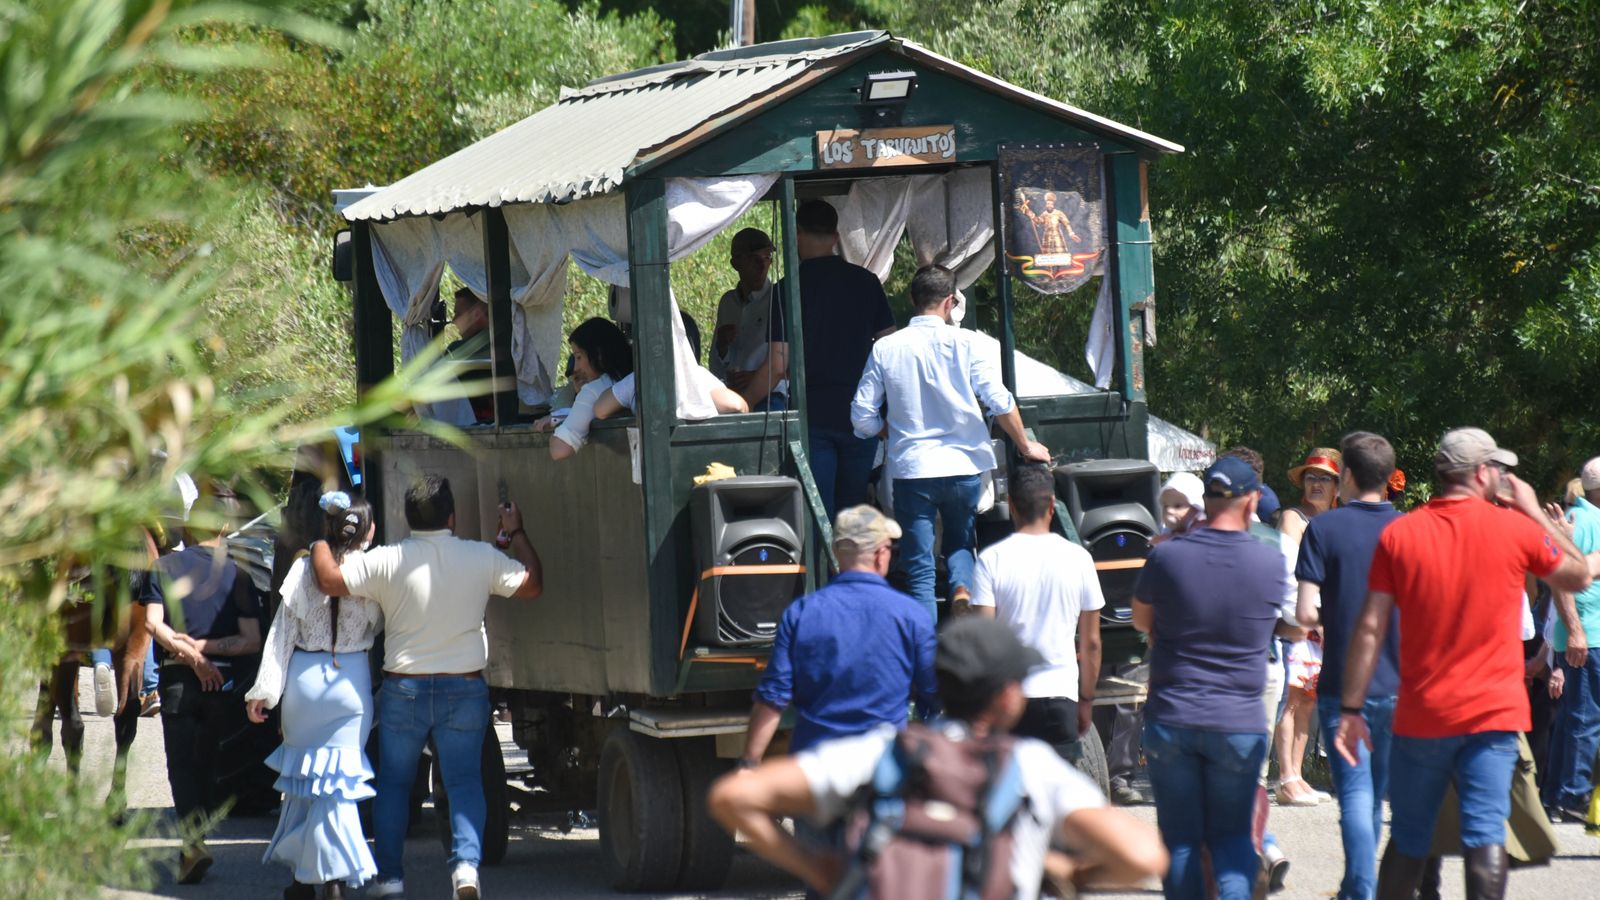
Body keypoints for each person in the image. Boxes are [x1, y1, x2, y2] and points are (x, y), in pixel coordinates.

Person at [708, 617, 1169, 898]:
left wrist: (817, 867)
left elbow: (734, 797)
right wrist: (1070, 873)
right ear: (1008, 697)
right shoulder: (1031, 767)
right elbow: (1143, 855)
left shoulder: (881, 753)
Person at [1335, 427, 1592, 899]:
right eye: (1499, 468)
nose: (1504, 477)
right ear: (1482, 473)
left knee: (1410, 837)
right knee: (1484, 836)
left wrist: (1351, 710)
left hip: (1423, 714)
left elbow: (1369, 628)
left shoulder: (1402, 533)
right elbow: (1578, 575)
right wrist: (1533, 509)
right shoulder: (1515, 529)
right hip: (1492, 714)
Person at [309, 476, 544, 900]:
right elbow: (531, 584)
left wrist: (319, 539)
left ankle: (391, 878)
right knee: (464, 782)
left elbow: (327, 579)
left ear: (407, 518)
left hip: (405, 691)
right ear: (451, 517)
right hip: (464, 689)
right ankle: (466, 871)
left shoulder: (387, 560)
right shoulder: (479, 556)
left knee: (395, 784)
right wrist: (518, 531)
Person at [852, 264, 1050, 623]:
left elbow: (861, 417)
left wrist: (887, 430)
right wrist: (1026, 446)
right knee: (961, 542)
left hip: (912, 470)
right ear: (950, 301)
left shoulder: (886, 349)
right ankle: (962, 589)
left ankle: (925, 654)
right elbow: (999, 400)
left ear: (912, 300)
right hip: (963, 467)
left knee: (919, 565)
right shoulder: (968, 343)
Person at [1131, 456, 1288, 900]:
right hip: (1237, 720)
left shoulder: (1166, 556)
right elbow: (1291, 622)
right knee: (1233, 840)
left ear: (1205, 502)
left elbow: (1141, 622)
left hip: (1173, 715)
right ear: (1252, 500)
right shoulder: (1270, 562)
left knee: (1179, 842)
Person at [246, 493, 384, 899]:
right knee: (338, 785)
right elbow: (376, 625)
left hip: (305, 680)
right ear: (368, 531)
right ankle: (333, 880)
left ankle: (304, 879)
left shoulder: (303, 568)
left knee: (304, 781)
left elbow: (282, 633)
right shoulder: (372, 571)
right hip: (351, 680)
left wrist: (264, 690)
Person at [738, 505, 937, 765]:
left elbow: (773, 697)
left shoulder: (801, 613)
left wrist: (749, 763)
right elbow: (933, 689)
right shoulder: (912, 615)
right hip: (881, 768)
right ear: (880, 555)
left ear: (835, 553)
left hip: (815, 769)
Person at [1293, 432, 1402, 900]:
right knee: (1377, 796)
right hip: (1400, 681)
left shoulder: (1324, 529)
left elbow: (1302, 614)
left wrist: (1334, 613)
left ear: (1349, 476)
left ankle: (1360, 889)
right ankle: (1354, 885)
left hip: (1344, 682)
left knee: (1356, 796)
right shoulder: (1411, 529)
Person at [139, 485, 266, 884]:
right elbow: (252, 639)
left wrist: (192, 656)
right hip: (222, 684)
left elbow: (152, 624)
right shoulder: (240, 576)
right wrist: (209, 654)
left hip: (178, 679)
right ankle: (195, 841)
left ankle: (192, 844)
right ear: (225, 526)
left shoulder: (163, 568)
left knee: (180, 765)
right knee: (208, 764)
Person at [967, 463, 1104, 762]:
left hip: (1009, 700)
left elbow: (984, 642)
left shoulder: (991, 560)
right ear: (1052, 504)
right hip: (1060, 697)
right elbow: (1091, 643)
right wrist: (1086, 700)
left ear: (1012, 506)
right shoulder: (1080, 559)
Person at [780, 200, 896, 522]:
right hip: (862, 412)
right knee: (853, 510)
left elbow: (779, 360)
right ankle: (853, 570)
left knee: (819, 511)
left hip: (812, 414)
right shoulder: (866, 282)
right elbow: (888, 346)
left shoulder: (787, 288)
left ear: (797, 233)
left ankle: (825, 572)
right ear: (835, 236)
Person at [1275, 447, 1342, 806]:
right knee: (1290, 698)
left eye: (1325, 478)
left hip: (1323, 624)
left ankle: (1297, 775)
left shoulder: (1335, 522)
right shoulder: (1292, 518)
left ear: (1337, 486)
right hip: (1298, 622)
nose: (1316, 484)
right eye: (1311, 477)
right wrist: (1307, 620)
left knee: (1307, 702)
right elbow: (1287, 577)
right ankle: (1285, 775)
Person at [1544, 455, 1600, 821]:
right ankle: (1574, 794)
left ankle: (1556, 793)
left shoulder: (1576, 519)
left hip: (1579, 632)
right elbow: (1560, 576)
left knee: (1572, 718)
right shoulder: (1589, 521)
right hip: (1589, 633)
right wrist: (1577, 630)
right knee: (1586, 717)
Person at [534, 317, 633, 460]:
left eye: (579, 357)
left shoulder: (594, 390)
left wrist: (556, 433)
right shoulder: (631, 378)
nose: (576, 367)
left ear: (599, 355)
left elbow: (559, 450)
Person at [710, 228, 777, 381]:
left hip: (769, 395)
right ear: (736, 264)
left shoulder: (778, 299)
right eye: (754, 258)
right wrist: (722, 346)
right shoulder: (728, 303)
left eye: (767, 257)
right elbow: (717, 364)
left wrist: (757, 378)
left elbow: (791, 363)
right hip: (733, 391)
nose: (762, 265)